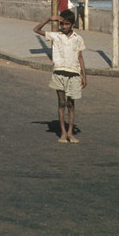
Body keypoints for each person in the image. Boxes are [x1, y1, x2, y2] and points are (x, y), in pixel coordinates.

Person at [33, 9, 87, 143]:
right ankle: (63, 133)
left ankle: (70, 133)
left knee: (71, 104)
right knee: (61, 103)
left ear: (72, 24)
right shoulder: (56, 36)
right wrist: (49, 19)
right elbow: (36, 29)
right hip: (59, 73)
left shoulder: (78, 38)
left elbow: (80, 57)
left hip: (74, 74)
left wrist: (84, 76)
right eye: (62, 24)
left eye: (67, 24)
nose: (64, 26)